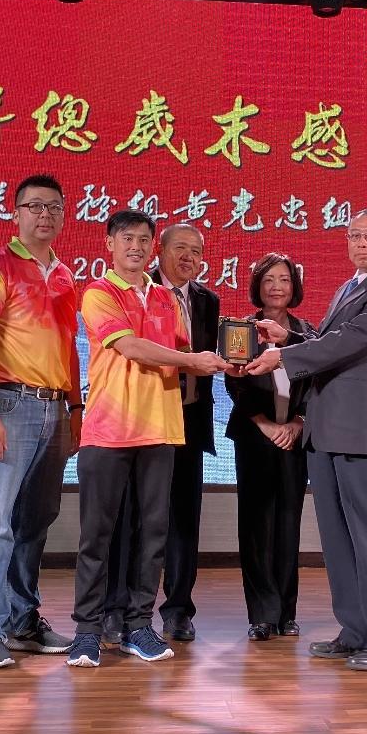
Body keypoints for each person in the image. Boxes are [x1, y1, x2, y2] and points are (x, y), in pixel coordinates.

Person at [246, 209, 367, 672]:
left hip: (364, 428)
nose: (362, 243)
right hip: (327, 429)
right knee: (339, 540)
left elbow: (354, 341)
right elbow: (331, 339)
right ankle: (357, 629)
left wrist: (285, 354)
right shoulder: (349, 286)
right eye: (355, 235)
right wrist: (290, 335)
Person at [67, 210, 229, 668]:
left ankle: (139, 625)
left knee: (153, 534)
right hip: (109, 431)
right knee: (97, 535)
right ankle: (88, 630)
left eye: (143, 239)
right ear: (109, 245)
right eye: (126, 239)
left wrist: (232, 357)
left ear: (151, 247)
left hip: (160, 430)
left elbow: (187, 349)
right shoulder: (99, 293)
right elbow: (132, 347)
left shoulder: (164, 297)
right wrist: (193, 360)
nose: (135, 247)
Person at [0, 175, 81, 668]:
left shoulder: (67, 273)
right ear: (15, 213)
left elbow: (70, 349)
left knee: (35, 521)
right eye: (34, 206)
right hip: (10, 405)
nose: (45, 215)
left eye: (54, 207)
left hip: (56, 407)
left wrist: (75, 409)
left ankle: (21, 620)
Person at [103, 223, 219, 644]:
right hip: (143, 417)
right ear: (159, 251)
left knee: (184, 519)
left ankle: (178, 610)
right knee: (133, 518)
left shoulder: (208, 300)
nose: (188, 257)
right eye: (180, 248)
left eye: (196, 251)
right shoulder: (142, 294)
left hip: (189, 421)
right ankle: (118, 609)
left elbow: (210, 357)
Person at [225, 252, 311, 641]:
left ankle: (286, 613)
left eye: (285, 279)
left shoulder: (308, 334)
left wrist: (297, 422)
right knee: (256, 526)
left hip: (295, 439)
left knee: (288, 525)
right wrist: (263, 424)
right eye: (269, 280)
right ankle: (262, 614)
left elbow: (317, 383)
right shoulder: (241, 330)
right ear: (257, 286)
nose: (277, 286)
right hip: (255, 438)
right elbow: (235, 383)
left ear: (295, 287)